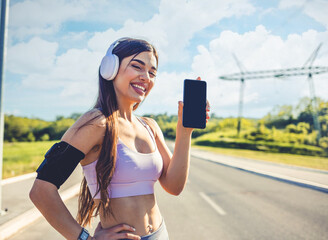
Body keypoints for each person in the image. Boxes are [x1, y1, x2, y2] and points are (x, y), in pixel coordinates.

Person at [29, 37, 210, 240]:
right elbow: (41, 191)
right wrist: (84, 238)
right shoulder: (96, 123)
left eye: (152, 73)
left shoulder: (150, 126)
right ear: (110, 69)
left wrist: (184, 132)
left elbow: (174, 186)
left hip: (160, 234)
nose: (146, 77)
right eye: (137, 67)